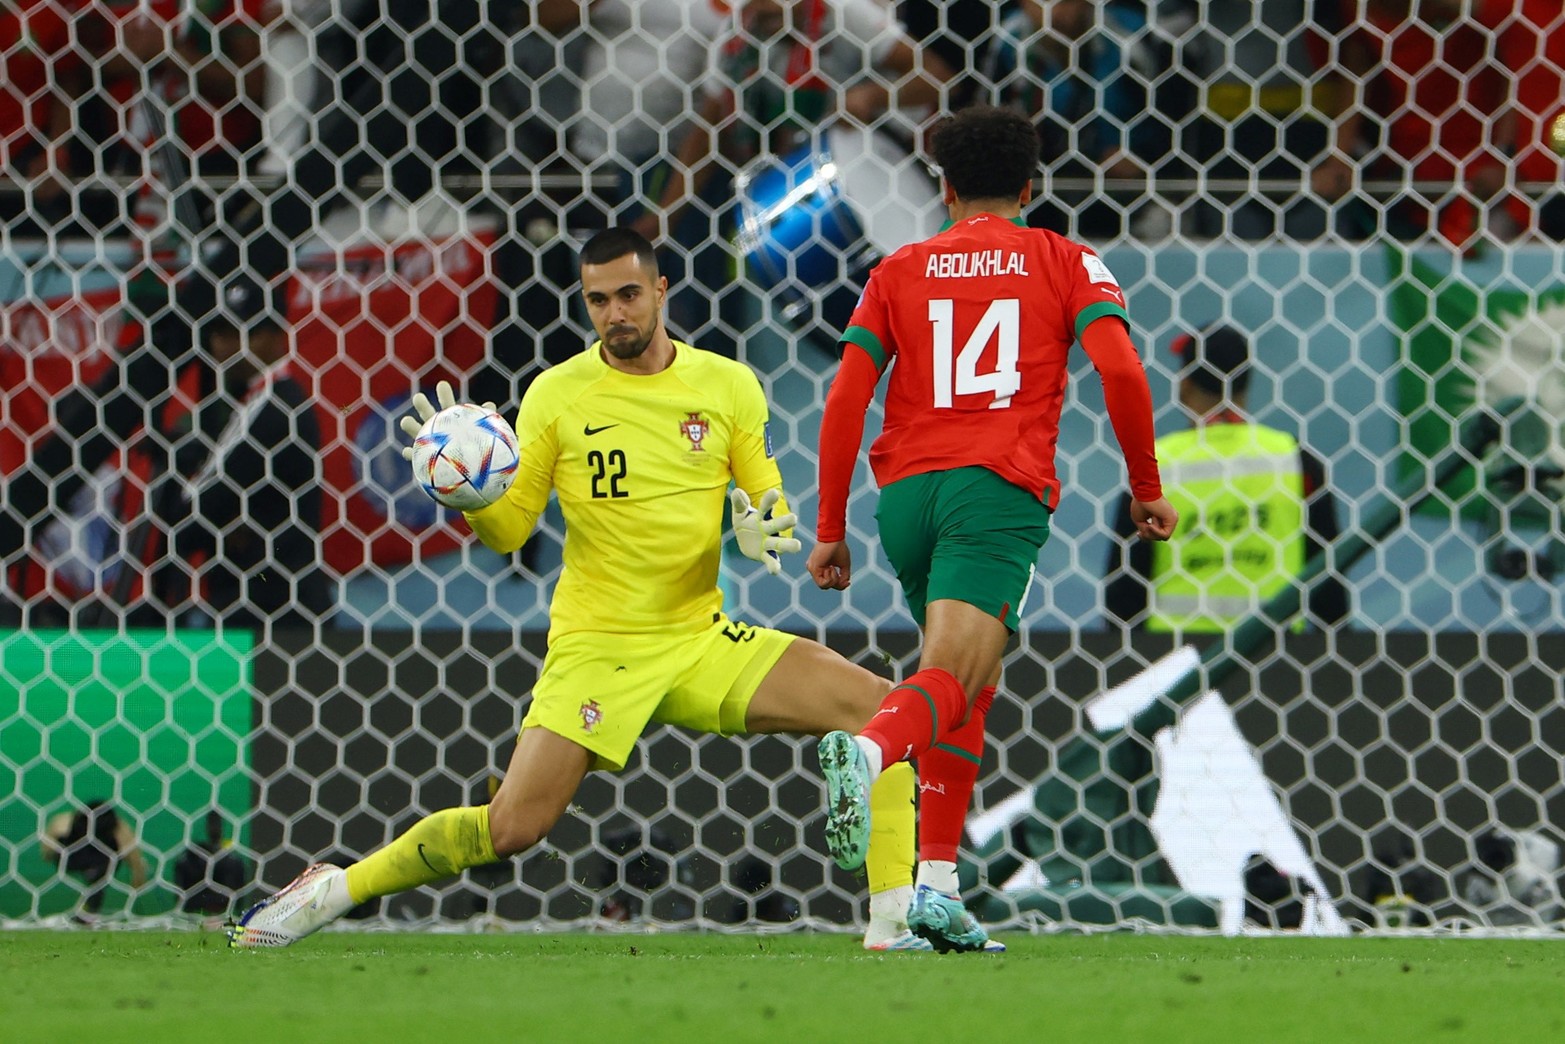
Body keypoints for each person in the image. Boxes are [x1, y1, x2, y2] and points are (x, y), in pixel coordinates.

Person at [228, 227, 937, 952]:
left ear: (660, 291)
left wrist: (764, 529)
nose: (614, 313)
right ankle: (329, 892)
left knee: (881, 711)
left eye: (628, 294)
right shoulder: (557, 396)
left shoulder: (726, 385)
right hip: (598, 647)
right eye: (597, 300)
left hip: (698, 639)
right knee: (511, 828)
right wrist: (469, 496)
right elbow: (510, 532)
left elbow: (765, 497)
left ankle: (890, 925)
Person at [806, 105, 1176, 952]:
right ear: (1029, 185)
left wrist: (831, 525)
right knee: (949, 677)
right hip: (994, 489)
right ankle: (866, 756)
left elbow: (845, 396)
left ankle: (932, 890)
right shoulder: (1064, 258)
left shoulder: (896, 269)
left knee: (965, 681)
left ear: (940, 188)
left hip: (903, 498)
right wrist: (1145, 485)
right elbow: (1118, 364)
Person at [1103, 324, 1349, 633]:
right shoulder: (1296, 460)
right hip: (1277, 655)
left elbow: (1124, 589)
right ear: (1246, 383)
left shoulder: (1153, 465)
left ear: (1184, 386)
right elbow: (1330, 586)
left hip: (1174, 661)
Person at [158, 270, 330, 629]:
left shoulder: (270, 409)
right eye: (219, 332)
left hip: (270, 617)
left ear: (273, 338)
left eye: (238, 334)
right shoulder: (264, 402)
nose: (221, 344)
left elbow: (192, 518)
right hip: (271, 609)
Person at [1308, 0, 1519, 249]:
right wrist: (1338, 156)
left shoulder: (1477, 11)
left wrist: (1504, 156)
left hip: (1480, 162)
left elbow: (1515, 69)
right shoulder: (1357, 10)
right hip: (1406, 161)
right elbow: (1357, 73)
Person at [41, 800, 149, 924]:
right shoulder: (64, 822)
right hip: (74, 856)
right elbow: (48, 846)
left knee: (99, 879)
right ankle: (87, 911)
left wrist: (138, 874)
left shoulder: (118, 828)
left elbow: (133, 855)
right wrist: (138, 875)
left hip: (99, 860)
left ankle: (87, 913)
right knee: (99, 877)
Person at [173, 810, 249, 921]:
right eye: (212, 824)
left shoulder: (232, 860)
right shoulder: (191, 858)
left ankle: (230, 912)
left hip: (221, 898)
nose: (214, 828)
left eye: (217, 824)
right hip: (197, 899)